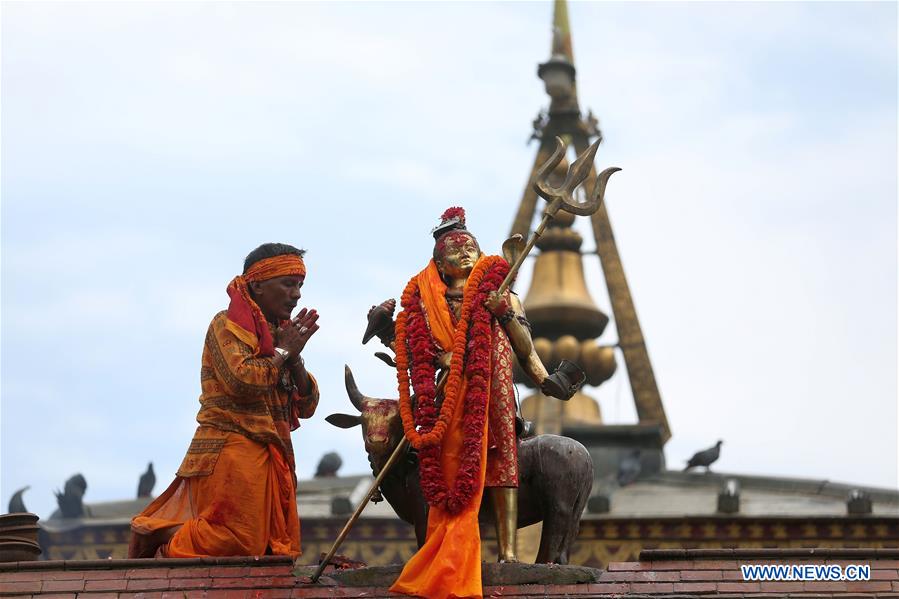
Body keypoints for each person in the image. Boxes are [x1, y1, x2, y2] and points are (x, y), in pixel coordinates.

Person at [390, 208, 574, 599]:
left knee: (504, 459)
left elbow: (525, 350)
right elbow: (415, 355)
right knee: (445, 466)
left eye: (470, 246)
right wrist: (446, 358)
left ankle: (508, 552)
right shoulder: (425, 303)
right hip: (448, 396)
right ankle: (445, 547)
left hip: (497, 389)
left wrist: (506, 317)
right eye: (455, 249)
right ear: (439, 262)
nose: (465, 253)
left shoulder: (503, 293)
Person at [128, 243, 320, 559]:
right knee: (236, 542)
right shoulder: (227, 325)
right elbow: (241, 381)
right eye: (288, 284)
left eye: (300, 285)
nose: (297, 294)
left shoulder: (280, 335)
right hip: (231, 445)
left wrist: (294, 357)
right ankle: (160, 534)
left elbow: (307, 405)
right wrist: (285, 352)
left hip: (274, 452)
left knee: (268, 547)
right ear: (258, 285)